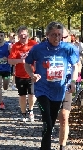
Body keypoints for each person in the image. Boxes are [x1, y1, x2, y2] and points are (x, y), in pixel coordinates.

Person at [24, 21, 78, 150]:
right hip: (42, 89)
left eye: (59, 35)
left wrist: (73, 81)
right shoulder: (38, 49)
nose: (57, 38)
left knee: (51, 124)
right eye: (53, 34)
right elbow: (27, 63)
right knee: (47, 121)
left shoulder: (68, 48)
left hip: (59, 90)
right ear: (47, 34)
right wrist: (32, 74)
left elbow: (75, 66)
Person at [8, 26, 37, 122]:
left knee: (32, 94)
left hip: (32, 74)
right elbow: (10, 61)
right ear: (18, 36)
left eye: (24, 34)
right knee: (22, 95)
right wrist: (21, 60)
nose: (23, 36)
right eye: (21, 35)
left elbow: (40, 56)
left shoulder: (33, 44)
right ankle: (24, 113)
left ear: (28, 34)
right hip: (20, 75)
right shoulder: (15, 46)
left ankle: (31, 110)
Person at [58, 28, 80, 150]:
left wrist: (73, 81)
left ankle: (62, 146)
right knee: (49, 119)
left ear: (69, 37)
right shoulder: (47, 49)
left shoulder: (72, 50)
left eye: (64, 37)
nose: (61, 40)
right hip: (50, 89)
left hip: (66, 86)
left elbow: (75, 67)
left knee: (64, 116)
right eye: (58, 36)